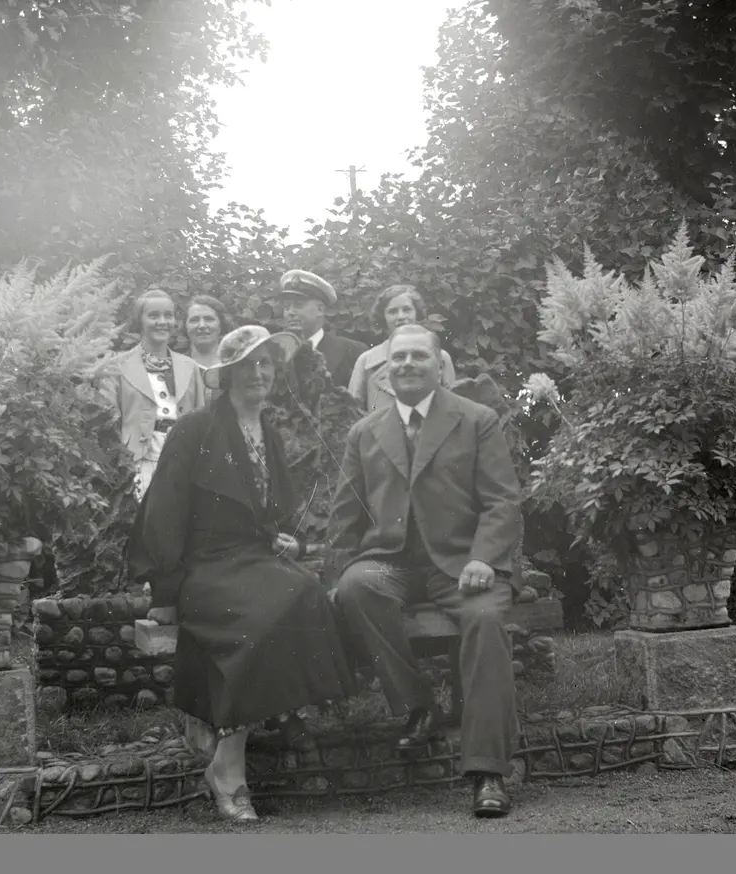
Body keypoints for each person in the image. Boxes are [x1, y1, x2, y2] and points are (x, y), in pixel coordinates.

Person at [125, 325, 357, 823]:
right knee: (257, 621)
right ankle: (230, 768)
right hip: (203, 566)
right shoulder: (195, 428)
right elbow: (163, 511)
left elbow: (268, 510)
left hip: (252, 559)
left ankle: (249, 732)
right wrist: (165, 591)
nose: (258, 373)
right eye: (247, 365)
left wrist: (287, 540)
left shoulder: (266, 430)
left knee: (306, 590)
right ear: (227, 374)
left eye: (266, 363)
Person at [328, 323, 524, 819]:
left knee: (485, 620)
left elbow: (502, 500)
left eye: (418, 356)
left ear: (439, 365)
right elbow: (344, 515)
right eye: (398, 358)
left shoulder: (476, 419)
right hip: (392, 561)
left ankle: (488, 771)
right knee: (356, 587)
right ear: (384, 370)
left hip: (463, 565)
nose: (407, 364)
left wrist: (484, 557)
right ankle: (419, 706)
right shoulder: (364, 431)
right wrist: (333, 573)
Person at [108, 288, 205, 499]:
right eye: (153, 315)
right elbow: (108, 423)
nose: (162, 322)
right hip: (138, 460)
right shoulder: (116, 366)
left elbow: (202, 421)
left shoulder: (190, 367)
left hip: (184, 460)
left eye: (168, 315)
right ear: (140, 320)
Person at [348, 284, 457, 414]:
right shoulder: (367, 361)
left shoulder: (440, 357)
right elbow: (352, 413)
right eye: (392, 312)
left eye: (407, 310)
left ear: (416, 313)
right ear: (383, 316)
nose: (400, 316)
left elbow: (454, 408)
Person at [280, 269, 367, 388]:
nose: (290, 312)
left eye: (299, 305)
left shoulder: (353, 351)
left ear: (320, 309)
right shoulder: (275, 352)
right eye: (286, 307)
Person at [182, 294, 236, 399]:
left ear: (221, 324)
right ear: (185, 326)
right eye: (194, 320)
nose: (202, 325)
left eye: (209, 319)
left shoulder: (236, 367)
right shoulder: (174, 368)